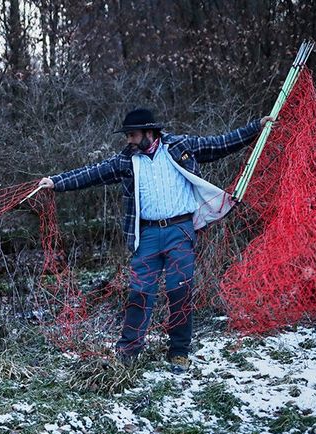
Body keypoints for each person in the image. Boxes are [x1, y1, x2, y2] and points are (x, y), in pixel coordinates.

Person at [39, 109, 273, 373]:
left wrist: (256, 127)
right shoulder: (126, 160)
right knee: (139, 292)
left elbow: (220, 143)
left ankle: (179, 352)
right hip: (147, 235)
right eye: (127, 135)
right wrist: (56, 182)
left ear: (150, 133)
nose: (129, 140)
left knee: (180, 291)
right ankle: (128, 350)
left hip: (180, 231)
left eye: (133, 135)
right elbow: (92, 173)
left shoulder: (181, 146)